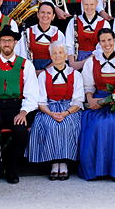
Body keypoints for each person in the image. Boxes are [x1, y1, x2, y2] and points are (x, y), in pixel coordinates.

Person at [0, 26, 40, 184]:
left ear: (15, 42)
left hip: (17, 108)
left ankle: (12, 169)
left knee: (21, 131)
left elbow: (32, 94)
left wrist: (24, 113)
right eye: (3, 41)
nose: (6, 43)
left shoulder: (25, 65)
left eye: (9, 40)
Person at [78, 28, 115, 181]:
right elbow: (89, 88)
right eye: (103, 41)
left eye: (109, 40)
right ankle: (97, 170)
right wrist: (90, 100)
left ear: (114, 40)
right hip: (99, 101)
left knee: (114, 122)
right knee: (97, 123)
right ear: (99, 43)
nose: (107, 44)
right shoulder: (92, 62)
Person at [25, 42, 84, 180]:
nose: (58, 56)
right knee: (49, 124)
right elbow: (41, 102)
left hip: (70, 109)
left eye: (60, 53)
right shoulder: (44, 75)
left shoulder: (75, 75)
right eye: (54, 53)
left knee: (67, 125)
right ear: (50, 56)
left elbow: (78, 101)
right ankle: (54, 163)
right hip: (49, 109)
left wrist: (66, 113)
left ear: (65, 55)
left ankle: (63, 163)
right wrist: (51, 113)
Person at [67, 0, 112, 68]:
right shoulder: (74, 21)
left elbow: (103, 48)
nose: (89, 7)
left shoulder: (104, 23)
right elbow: (69, 45)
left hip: (97, 61)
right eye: (86, 4)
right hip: (76, 61)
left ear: (97, 4)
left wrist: (81, 64)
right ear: (82, 3)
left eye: (92, 4)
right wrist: (72, 64)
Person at [19, 2, 67, 73]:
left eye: (48, 13)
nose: (45, 15)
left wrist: (44, 72)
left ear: (53, 16)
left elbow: (61, 58)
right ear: (38, 14)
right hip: (31, 71)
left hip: (52, 72)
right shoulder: (27, 33)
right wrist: (32, 72)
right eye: (42, 12)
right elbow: (22, 56)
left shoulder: (59, 34)